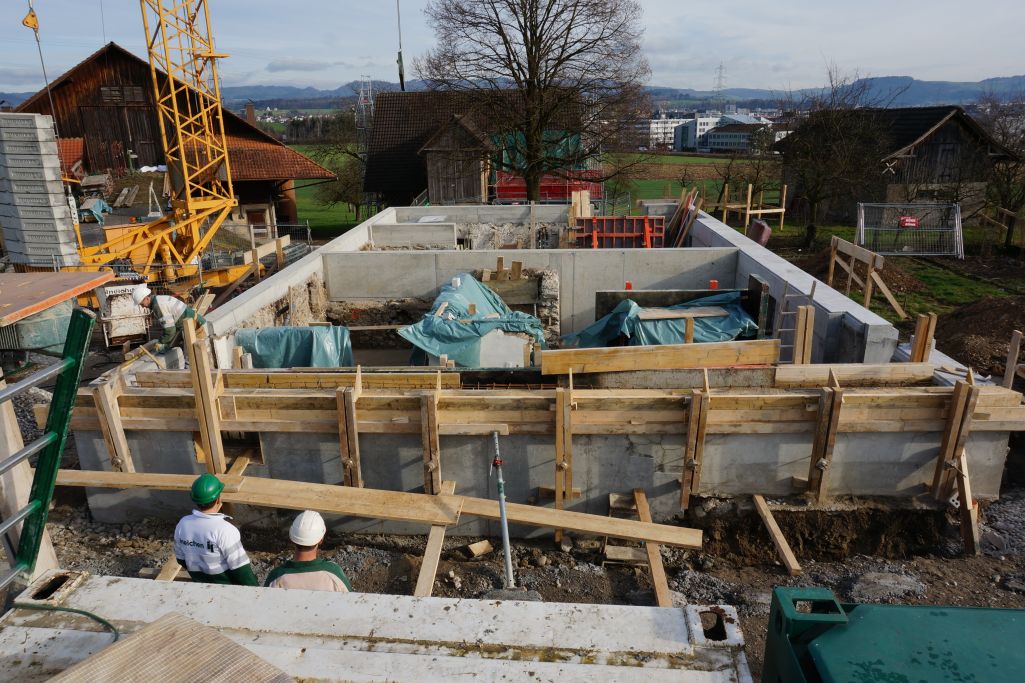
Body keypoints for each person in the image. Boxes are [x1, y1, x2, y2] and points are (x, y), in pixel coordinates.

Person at [173, 473, 258, 586]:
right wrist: (255, 591)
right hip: (226, 588)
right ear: (218, 500)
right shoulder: (224, 530)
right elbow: (241, 569)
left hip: (199, 585)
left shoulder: (183, 524)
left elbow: (181, 559)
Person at [264, 510, 353, 592]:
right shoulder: (333, 574)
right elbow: (352, 603)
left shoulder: (276, 577)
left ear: (292, 538)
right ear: (321, 540)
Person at [132, 284, 206, 353]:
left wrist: (161, 342)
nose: (142, 307)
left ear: (146, 298)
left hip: (196, 328)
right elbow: (173, 327)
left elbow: (170, 330)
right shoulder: (159, 299)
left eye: (141, 304)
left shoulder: (158, 306)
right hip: (196, 323)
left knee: (190, 359)